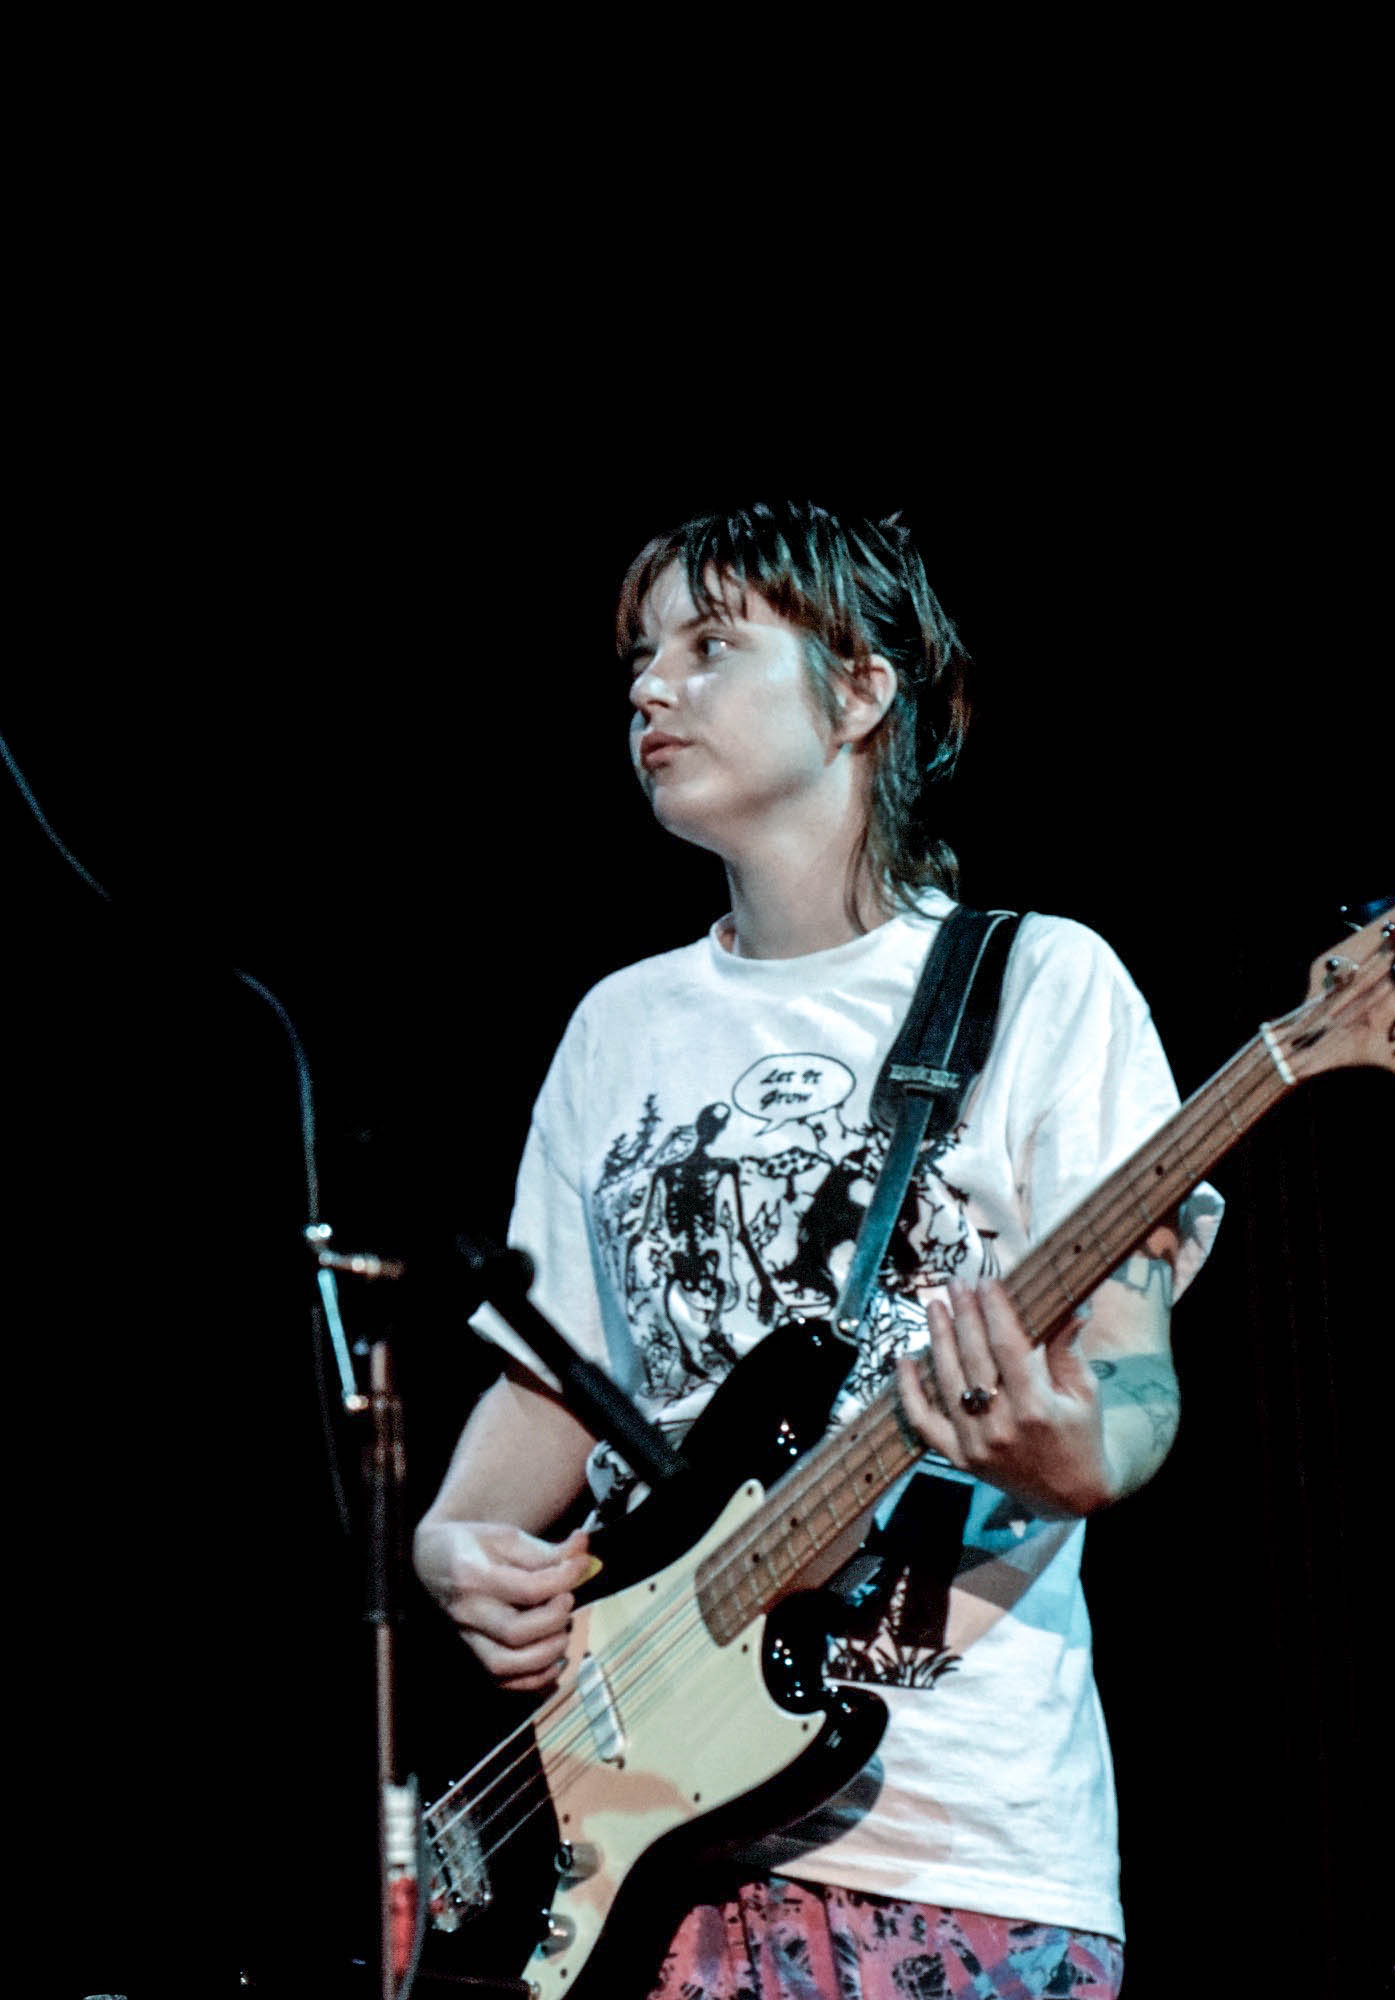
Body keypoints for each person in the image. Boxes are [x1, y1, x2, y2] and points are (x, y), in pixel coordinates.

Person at [414, 501, 1218, 1999]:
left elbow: (1133, 1385)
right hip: (629, 1842)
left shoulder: (1045, 985)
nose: (651, 687)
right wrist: (453, 1542)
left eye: (711, 645)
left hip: (958, 1848)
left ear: (859, 693)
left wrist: (1070, 1453)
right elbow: (553, 1390)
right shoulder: (618, 1029)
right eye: (642, 656)